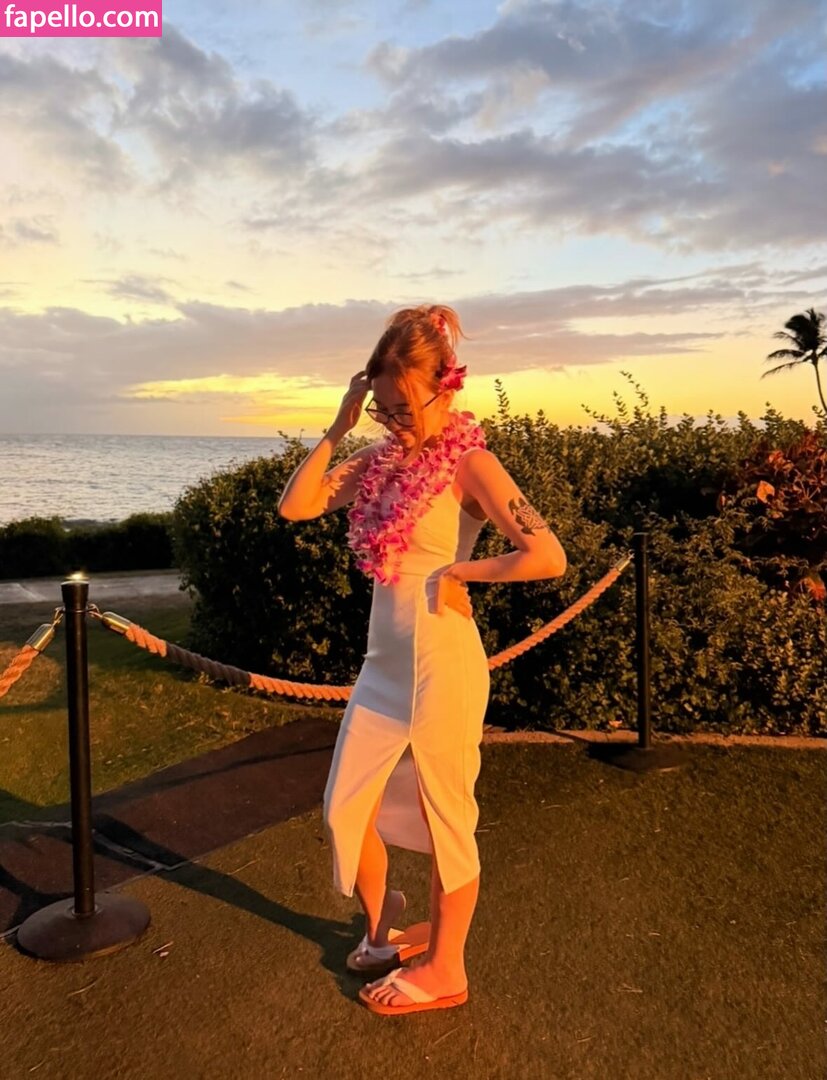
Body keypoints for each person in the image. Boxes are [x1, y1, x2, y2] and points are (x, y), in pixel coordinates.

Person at [277, 304, 567, 1015]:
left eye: (402, 407)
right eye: (382, 408)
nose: (394, 421)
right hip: (382, 667)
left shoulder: (472, 464)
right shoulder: (376, 461)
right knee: (344, 808)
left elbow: (547, 554)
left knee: (446, 820)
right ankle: (381, 931)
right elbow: (297, 507)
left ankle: (445, 969)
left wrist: (463, 572)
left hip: (443, 664)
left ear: (445, 387)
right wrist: (339, 427)